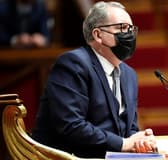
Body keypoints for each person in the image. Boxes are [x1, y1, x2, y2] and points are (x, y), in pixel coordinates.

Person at [32, 1, 157, 158]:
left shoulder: (129, 74)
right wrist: (124, 144)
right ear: (98, 35)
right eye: (122, 28)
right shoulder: (73, 64)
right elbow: (71, 125)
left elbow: (128, 128)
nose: (129, 35)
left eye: (131, 29)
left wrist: (139, 141)